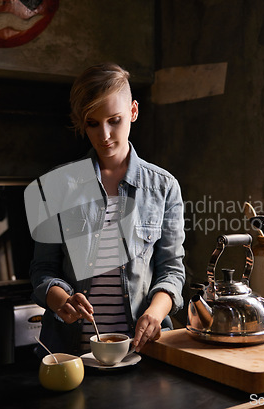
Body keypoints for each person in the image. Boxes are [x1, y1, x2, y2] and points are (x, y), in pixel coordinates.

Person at [29, 62, 185, 356]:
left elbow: (172, 271)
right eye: (92, 123)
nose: (104, 135)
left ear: (133, 112)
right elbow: (42, 269)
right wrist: (59, 298)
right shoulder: (56, 187)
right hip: (70, 355)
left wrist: (155, 311)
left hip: (145, 353)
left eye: (114, 120)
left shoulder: (164, 187)